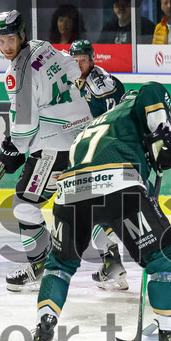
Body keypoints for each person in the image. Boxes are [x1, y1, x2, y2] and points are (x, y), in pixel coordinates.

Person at [28, 82, 171, 341]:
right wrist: (163, 140)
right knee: (164, 257)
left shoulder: (100, 123)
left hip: (70, 191)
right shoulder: (142, 96)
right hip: (119, 185)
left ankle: (43, 326)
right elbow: (157, 116)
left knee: (60, 264)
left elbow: (99, 205)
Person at [0, 10, 96, 292]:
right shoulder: (43, 47)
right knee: (85, 202)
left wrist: (14, 148)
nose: (7, 47)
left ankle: (41, 264)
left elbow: (24, 126)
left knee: (25, 204)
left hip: (55, 143)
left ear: (22, 35)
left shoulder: (17, 72)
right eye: (1, 41)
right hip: (83, 133)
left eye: (11, 39)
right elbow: (73, 70)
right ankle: (111, 262)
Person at [68, 38, 130, 291]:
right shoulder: (85, 80)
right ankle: (113, 265)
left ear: (92, 59)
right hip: (105, 152)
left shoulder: (99, 82)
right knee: (96, 211)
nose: (79, 64)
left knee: (91, 213)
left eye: (83, 59)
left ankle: (117, 254)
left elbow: (103, 118)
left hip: (103, 154)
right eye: (75, 59)